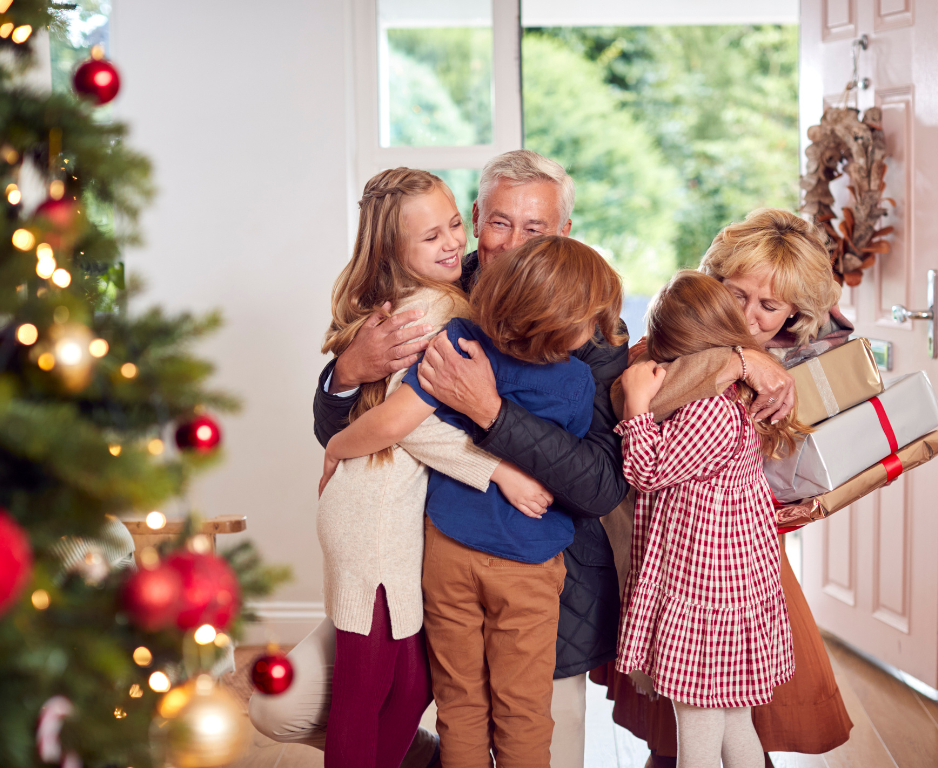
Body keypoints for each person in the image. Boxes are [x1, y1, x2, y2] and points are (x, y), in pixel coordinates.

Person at [257, 151, 797, 768]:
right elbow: (347, 433)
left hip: (542, 586)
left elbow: (599, 485)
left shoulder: (591, 329)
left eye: (535, 229)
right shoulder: (426, 292)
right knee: (281, 706)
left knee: (535, 738)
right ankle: (418, 753)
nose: (514, 244)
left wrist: (491, 414)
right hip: (412, 564)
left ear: (563, 232)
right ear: (475, 220)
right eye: (499, 223)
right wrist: (349, 373)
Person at [253, 167, 549, 768]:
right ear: (394, 248)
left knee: (412, 686)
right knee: (366, 691)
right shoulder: (431, 310)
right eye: (429, 237)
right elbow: (411, 425)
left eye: (454, 226)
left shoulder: (450, 293)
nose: (451, 244)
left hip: (388, 510)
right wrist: (498, 471)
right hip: (373, 519)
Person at [321, 235, 625, 766]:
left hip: (448, 550)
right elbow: (573, 472)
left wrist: (339, 448)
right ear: (567, 325)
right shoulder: (576, 382)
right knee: (523, 708)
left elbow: (398, 420)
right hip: (527, 565)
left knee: (459, 703)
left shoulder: (459, 337)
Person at [592, 208, 855, 766]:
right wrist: (735, 357)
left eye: (769, 305)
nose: (751, 316)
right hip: (680, 551)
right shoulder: (684, 341)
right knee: (702, 708)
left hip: (724, 561)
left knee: (724, 704)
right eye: (736, 294)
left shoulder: (791, 364)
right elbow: (634, 393)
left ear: (792, 313)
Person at [615, 270, 803, 768]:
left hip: (706, 595)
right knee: (733, 720)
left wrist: (636, 405)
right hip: (724, 590)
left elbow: (647, 470)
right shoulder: (729, 399)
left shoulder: (707, 412)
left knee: (697, 727)